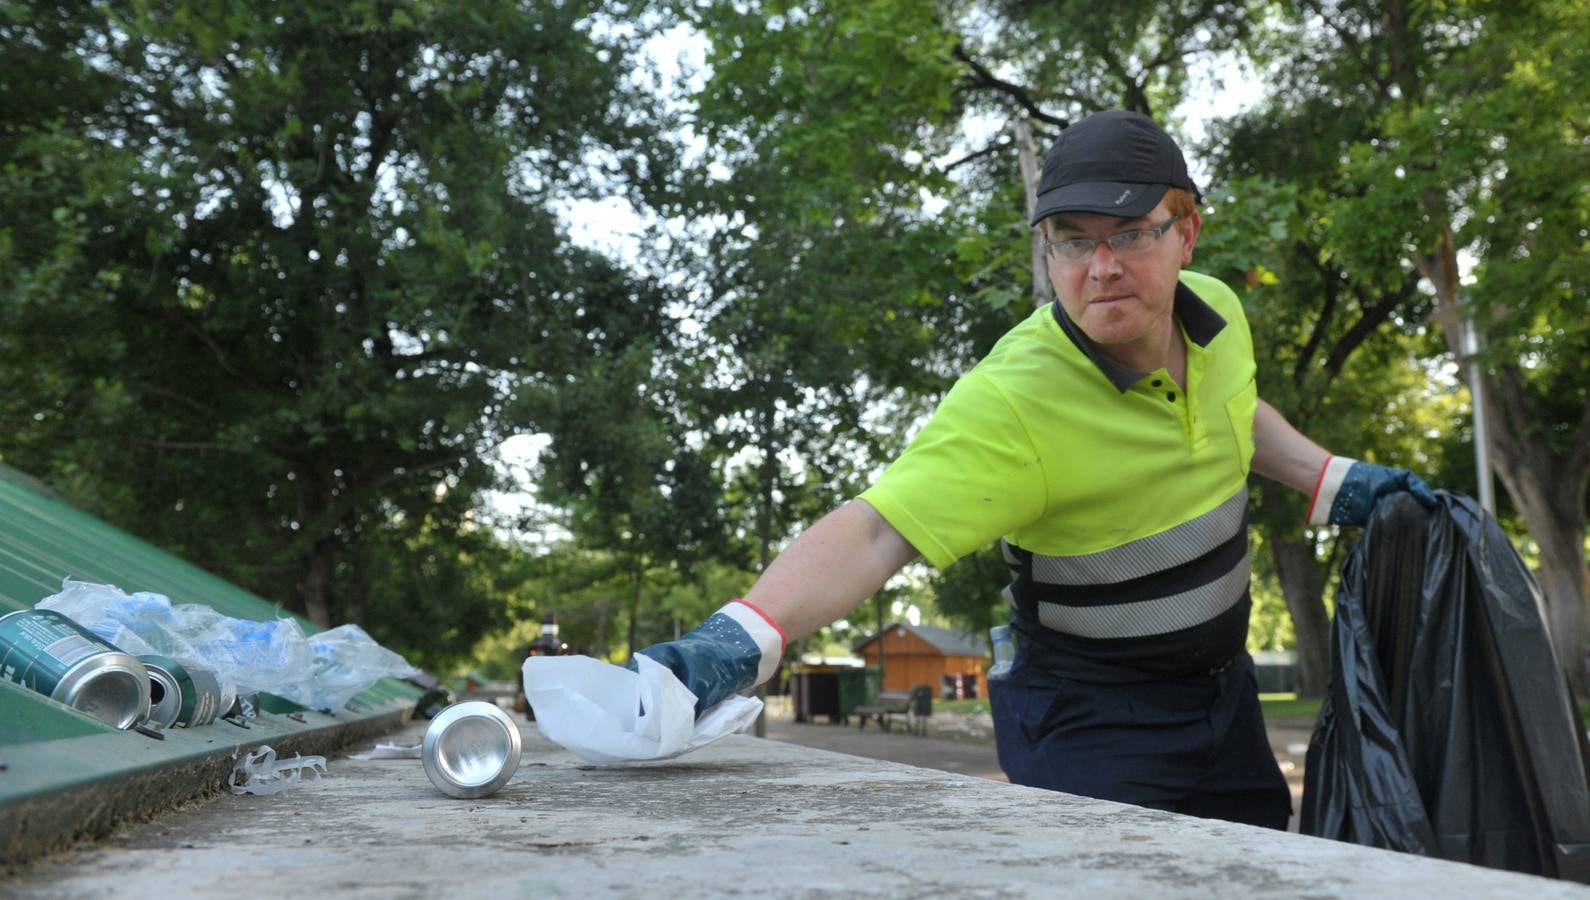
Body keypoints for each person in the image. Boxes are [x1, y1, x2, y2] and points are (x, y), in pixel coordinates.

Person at [634, 110, 1434, 829]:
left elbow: (1230, 412)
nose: (1102, 266)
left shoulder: (1220, 315)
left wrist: (1334, 477)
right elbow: (881, 529)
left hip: (1226, 699)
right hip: (1089, 716)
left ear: (1186, 233)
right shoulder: (1014, 398)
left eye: (1129, 233)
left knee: (1258, 872)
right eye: (1074, 240)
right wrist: (740, 639)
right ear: (1047, 250)